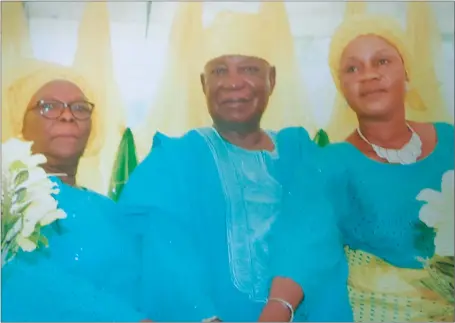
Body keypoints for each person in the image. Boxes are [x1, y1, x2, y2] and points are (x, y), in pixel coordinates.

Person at [117, 10, 351, 323]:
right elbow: (156, 244)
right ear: (203, 84)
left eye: (250, 69)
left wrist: (279, 309)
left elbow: (317, 233)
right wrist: (201, 315)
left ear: (272, 79)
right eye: (219, 71)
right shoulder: (173, 159)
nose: (233, 83)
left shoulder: (300, 153)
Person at [261, 14, 454, 322]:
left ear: (407, 73)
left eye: (382, 62)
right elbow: (301, 240)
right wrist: (277, 310)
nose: (368, 76)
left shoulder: (450, 140)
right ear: (341, 86)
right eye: (352, 68)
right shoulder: (327, 163)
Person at [1, 62, 147, 322]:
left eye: (79, 108)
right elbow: (25, 280)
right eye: (49, 106)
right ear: (20, 123)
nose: (67, 115)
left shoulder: (108, 209)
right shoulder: (9, 194)